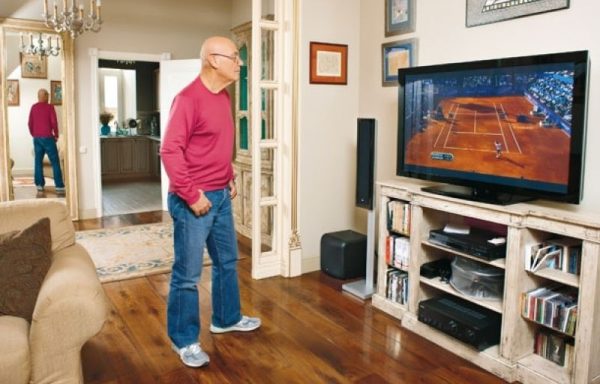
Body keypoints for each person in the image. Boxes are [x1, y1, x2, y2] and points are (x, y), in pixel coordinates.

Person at [160, 36, 261, 368]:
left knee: (227, 262)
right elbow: (170, 150)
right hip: (194, 200)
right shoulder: (187, 99)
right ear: (213, 60)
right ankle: (184, 340)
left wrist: (227, 173)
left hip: (220, 195)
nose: (240, 62)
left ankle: (227, 318)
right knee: (188, 275)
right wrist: (192, 195)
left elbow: (215, 143)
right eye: (234, 57)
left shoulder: (223, 96)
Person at [28, 88, 65, 196]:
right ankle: (59, 186)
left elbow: (30, 123)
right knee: (55, 162)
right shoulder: (50, 107)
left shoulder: (33, 108)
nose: (48, 97)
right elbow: (54, 122)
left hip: (37, 138)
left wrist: (34, 134)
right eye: (47, 95)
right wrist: (56, 135)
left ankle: (39, 185)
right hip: (48, 138)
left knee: (38, 161)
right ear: (42, 96)